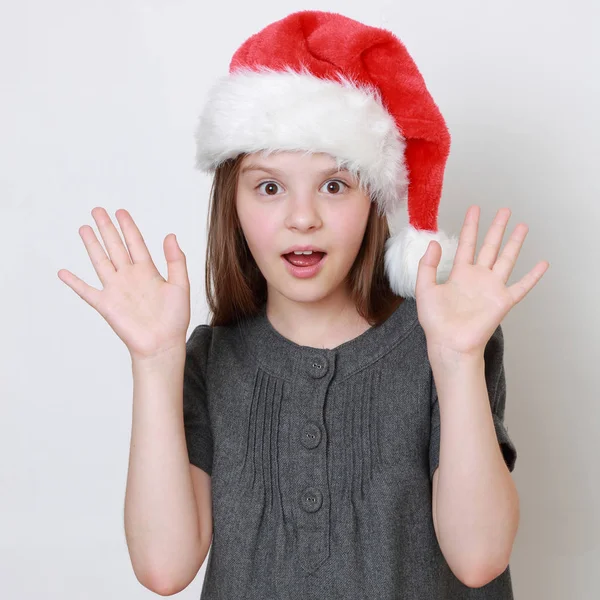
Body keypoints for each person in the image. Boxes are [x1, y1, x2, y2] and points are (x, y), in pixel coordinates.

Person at [57, 10, 549, 599]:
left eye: (334, 185)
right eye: (269, 187)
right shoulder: (209, 360)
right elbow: (164, 568)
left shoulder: (447, 341)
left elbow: (479, 558)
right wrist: (156, 360)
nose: (301, 217)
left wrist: (456, 358)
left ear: (374, 198)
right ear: (232, 205)